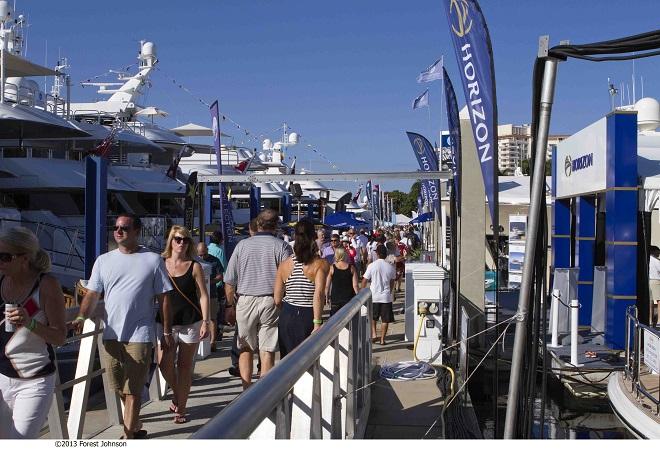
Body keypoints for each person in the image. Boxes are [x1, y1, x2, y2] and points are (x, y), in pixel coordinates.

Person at [72, 213, 173, 439]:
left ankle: (128, 436)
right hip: (111, 333)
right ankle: (135, 423)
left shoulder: (153, 260)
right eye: (116, 227)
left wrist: (166, 331)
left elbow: (164, 299)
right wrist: (80, 317)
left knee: (133, 388)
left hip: (141, 332)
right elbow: (92, 294)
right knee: (118, 386)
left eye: (124, 228)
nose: (118, 231)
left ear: (136, 232)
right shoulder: (104, 260)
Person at [0, 227, 66, 439]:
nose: (0, 262)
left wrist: (30, 323)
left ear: (24, 258)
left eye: (5, 257)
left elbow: (60, 336)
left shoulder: (46, 285)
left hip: (34, 380)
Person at [224, 209, 293, 389]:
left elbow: (230, 280)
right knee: (267, 348)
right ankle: (263, 391)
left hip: (245, 300)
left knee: (245, 348)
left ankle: (246, 390)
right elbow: (288, 276)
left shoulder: (242, 246)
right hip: (271, 300)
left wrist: (229, 305)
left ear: (258, 224)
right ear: (276, 226)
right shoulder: (282, 247)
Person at [158, 226, 209, 424]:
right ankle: (178, 394)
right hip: (165, 323)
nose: (181, 243)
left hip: (191, 321)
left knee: (185, 367)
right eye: (178, 239)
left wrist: (206, 321)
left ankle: (181, 408)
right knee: (164, 364)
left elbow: (203, 295)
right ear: (171, 241)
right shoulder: (160, 264)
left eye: (186, 240)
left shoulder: (194, 266)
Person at [274, 219, 329, 358]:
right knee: (307, 360)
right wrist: (317, 322)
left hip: (287, 313)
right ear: (313, 237)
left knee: (286, 361)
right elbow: (319, 294)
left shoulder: (284, 264)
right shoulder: (320, 264)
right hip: (307, 314)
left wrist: (287, 308)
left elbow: (277, 299)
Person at [362, 244, 396, 345]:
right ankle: (382, 339)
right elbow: (392, 281)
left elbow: (364, 280)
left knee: (373, 317)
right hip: (386, 296)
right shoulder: (390, 267)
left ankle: (374, 334)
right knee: (385, 319)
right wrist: (390, 291)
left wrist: (361, 292)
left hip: (374, 295)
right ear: (386, 254)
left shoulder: (372, 266)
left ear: (377, 253)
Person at [196, 242, 223, 352]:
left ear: (207, 250)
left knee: (212, 318)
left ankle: (212, 341)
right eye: (200, 255)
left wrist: (209, 282)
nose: (202, 257)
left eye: (204, 254)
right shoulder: (195, 260)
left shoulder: (214, 260)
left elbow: (220, 276)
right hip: (198, 295)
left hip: (212, 293)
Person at [325, 246, 359, 316]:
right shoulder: (351, 268)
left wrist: (327, 297)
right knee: (348, 320)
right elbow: (355, 286)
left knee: (334, 321)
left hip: (335, 299)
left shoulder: (332, 268)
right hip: (349, 298)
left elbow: (327, 286)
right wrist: (359, 297)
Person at [650, 246, 660, 326]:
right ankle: (658, 321)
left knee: (651, 302)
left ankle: (650, 320)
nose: (659, 254)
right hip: (656, 282)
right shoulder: (656, 261)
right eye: (658, 252)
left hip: (649, 281)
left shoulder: (647, 260)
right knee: (658, 301)